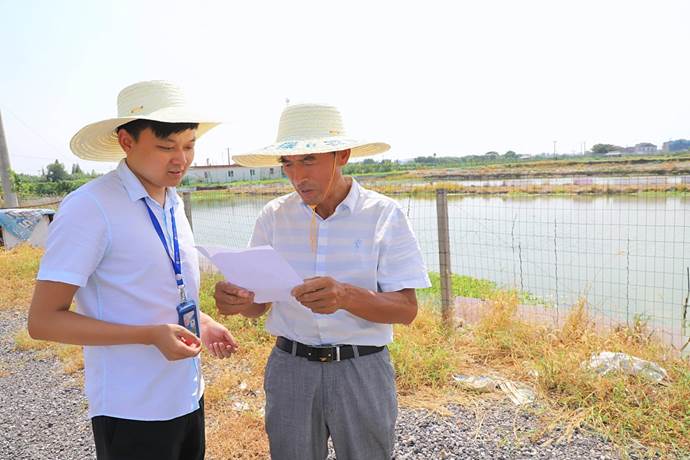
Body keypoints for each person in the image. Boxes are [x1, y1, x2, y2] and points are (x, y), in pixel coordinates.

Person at [28, 80, 238, 460]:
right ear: (126, 141)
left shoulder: (171, 201)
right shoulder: (90, 207)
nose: (181, 160)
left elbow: (154, 291)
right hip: (132, 409)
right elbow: (43, 321)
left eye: (189, 145)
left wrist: (202, 321)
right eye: (165, 147)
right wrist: (149, 335)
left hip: (188, 395)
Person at [214, 103, 431, 459]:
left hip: (362, 368)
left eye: (309, 160)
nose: (297, 175)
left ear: (342, 155)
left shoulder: (383, 215)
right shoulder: (274, 216)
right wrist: (235, 300)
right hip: (291, 366)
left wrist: (345, 296)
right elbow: (257, 304)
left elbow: (406, 310)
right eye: (288, 163)